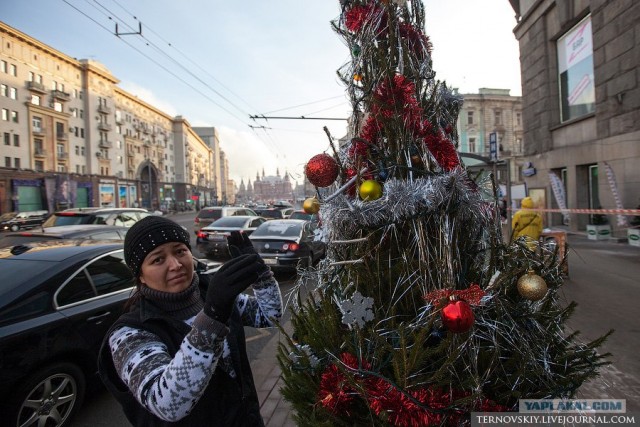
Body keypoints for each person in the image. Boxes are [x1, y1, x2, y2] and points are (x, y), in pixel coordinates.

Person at [98, 215, 282, 426]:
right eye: (158, 259)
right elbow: (168, 404)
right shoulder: (129, 334)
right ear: (140, 275)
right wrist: (212, 316)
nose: (175, 265)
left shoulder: (210, 294)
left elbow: (270, 316)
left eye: (180, 251)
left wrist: (260, 274)